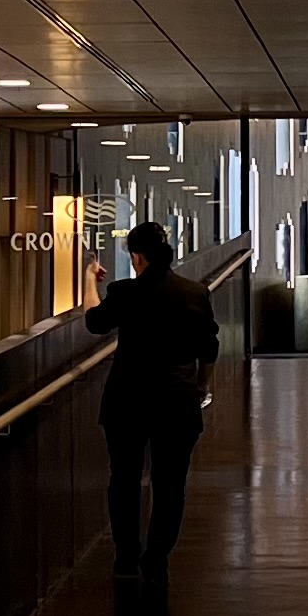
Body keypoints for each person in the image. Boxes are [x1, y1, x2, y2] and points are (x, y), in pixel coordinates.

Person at [84, 221, 216, 585]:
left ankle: (126, 557)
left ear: (137, 257)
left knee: (124, 478)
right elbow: (209, 349)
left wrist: (88, 282)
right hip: (177, 401)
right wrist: (200, 388)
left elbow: (95, 322)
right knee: (170, 483)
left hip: (127, 402)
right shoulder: (195, 293)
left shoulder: (125, 293)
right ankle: (157, 557)